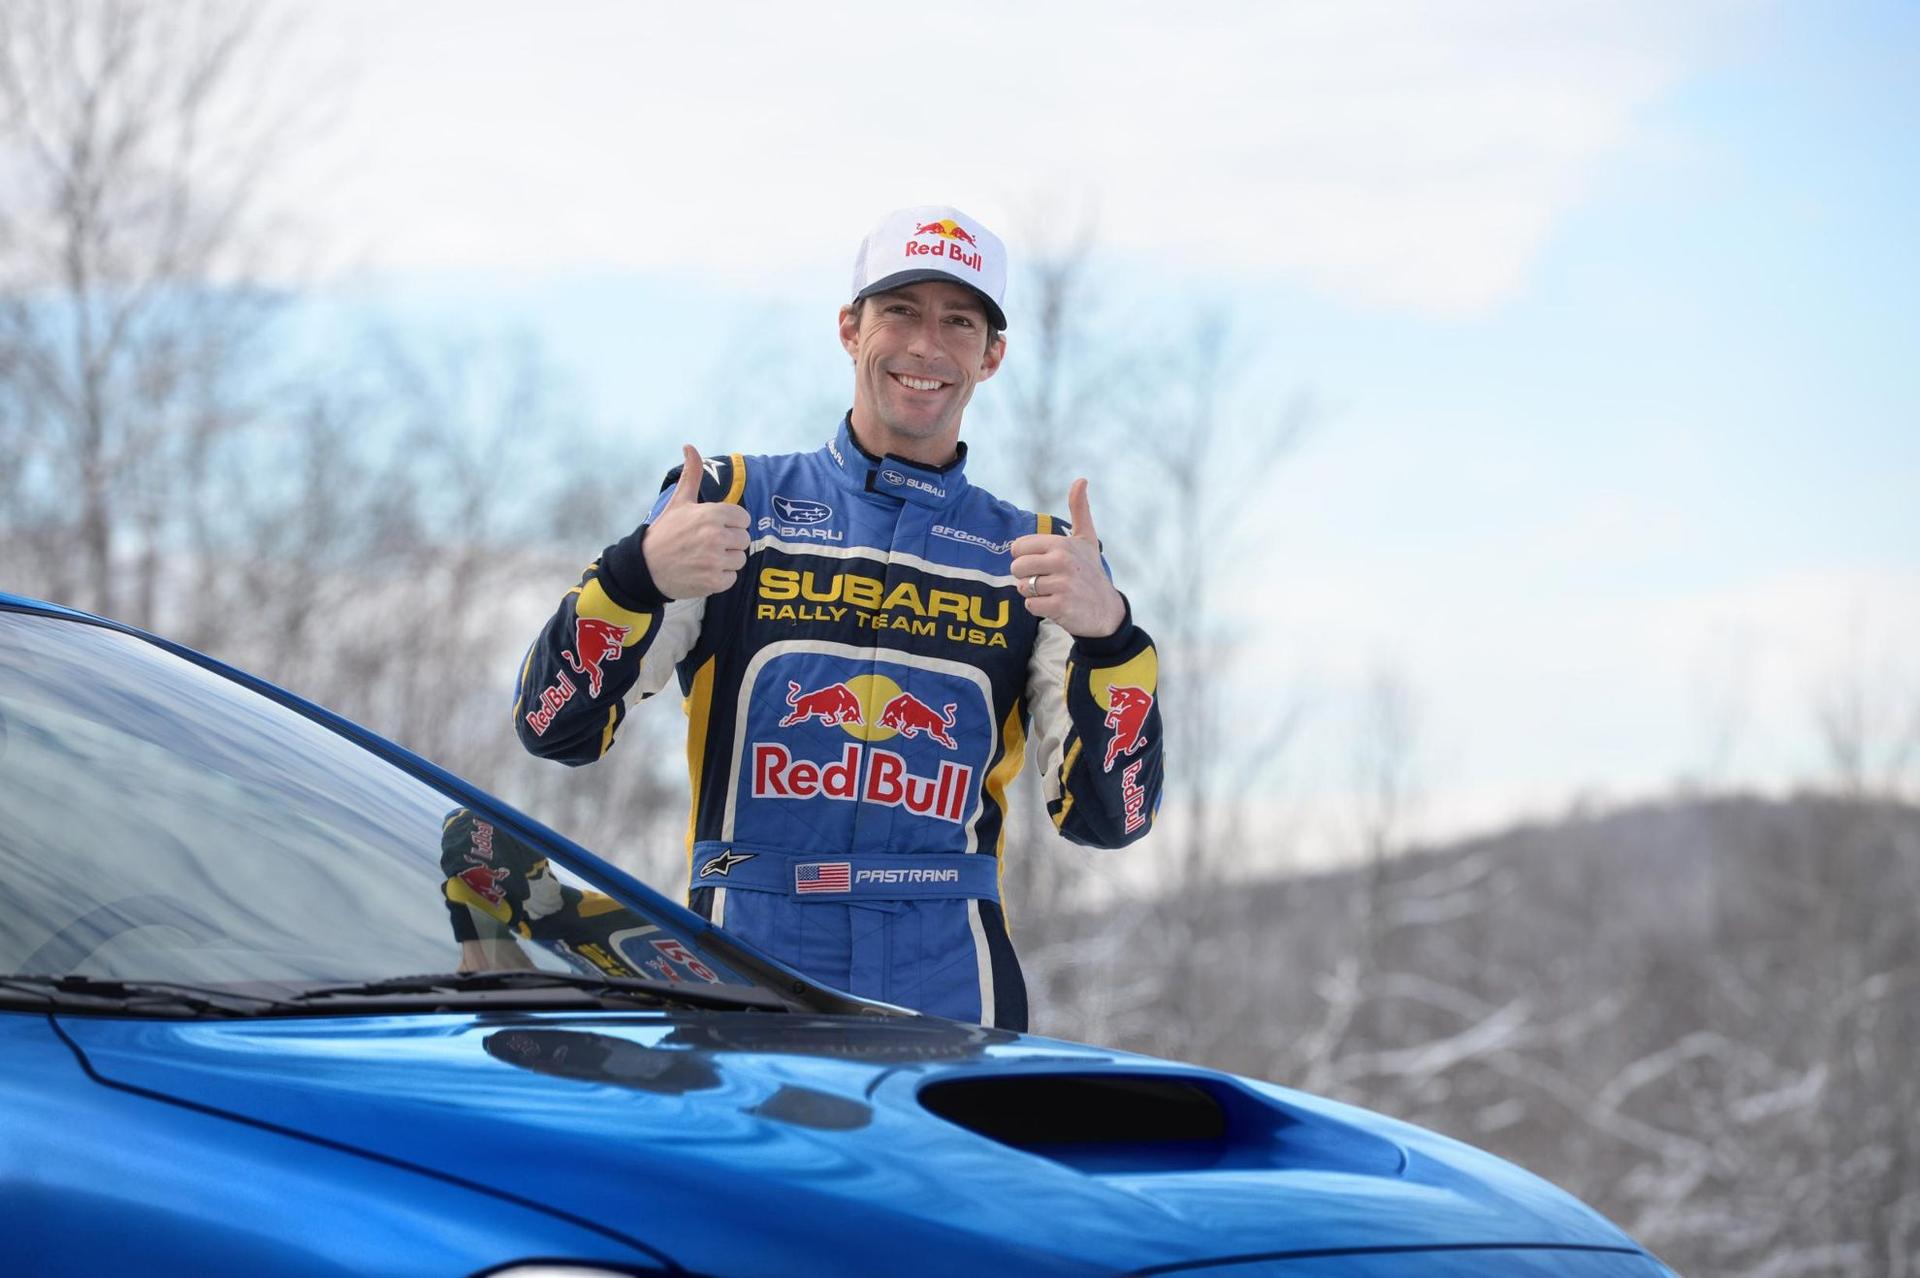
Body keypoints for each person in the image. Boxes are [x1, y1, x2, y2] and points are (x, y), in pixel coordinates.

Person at [513, 205, 1163, 1030]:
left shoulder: (1040, 558)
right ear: (850, 328)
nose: (927, 346)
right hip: (747, 955)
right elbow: (554, 726)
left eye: (959, 322)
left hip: (948, 975)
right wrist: (636, 575)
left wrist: (1113, 639)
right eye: (900, 311)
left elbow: (1112, 818)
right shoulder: (731, 503)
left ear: (991, 356)